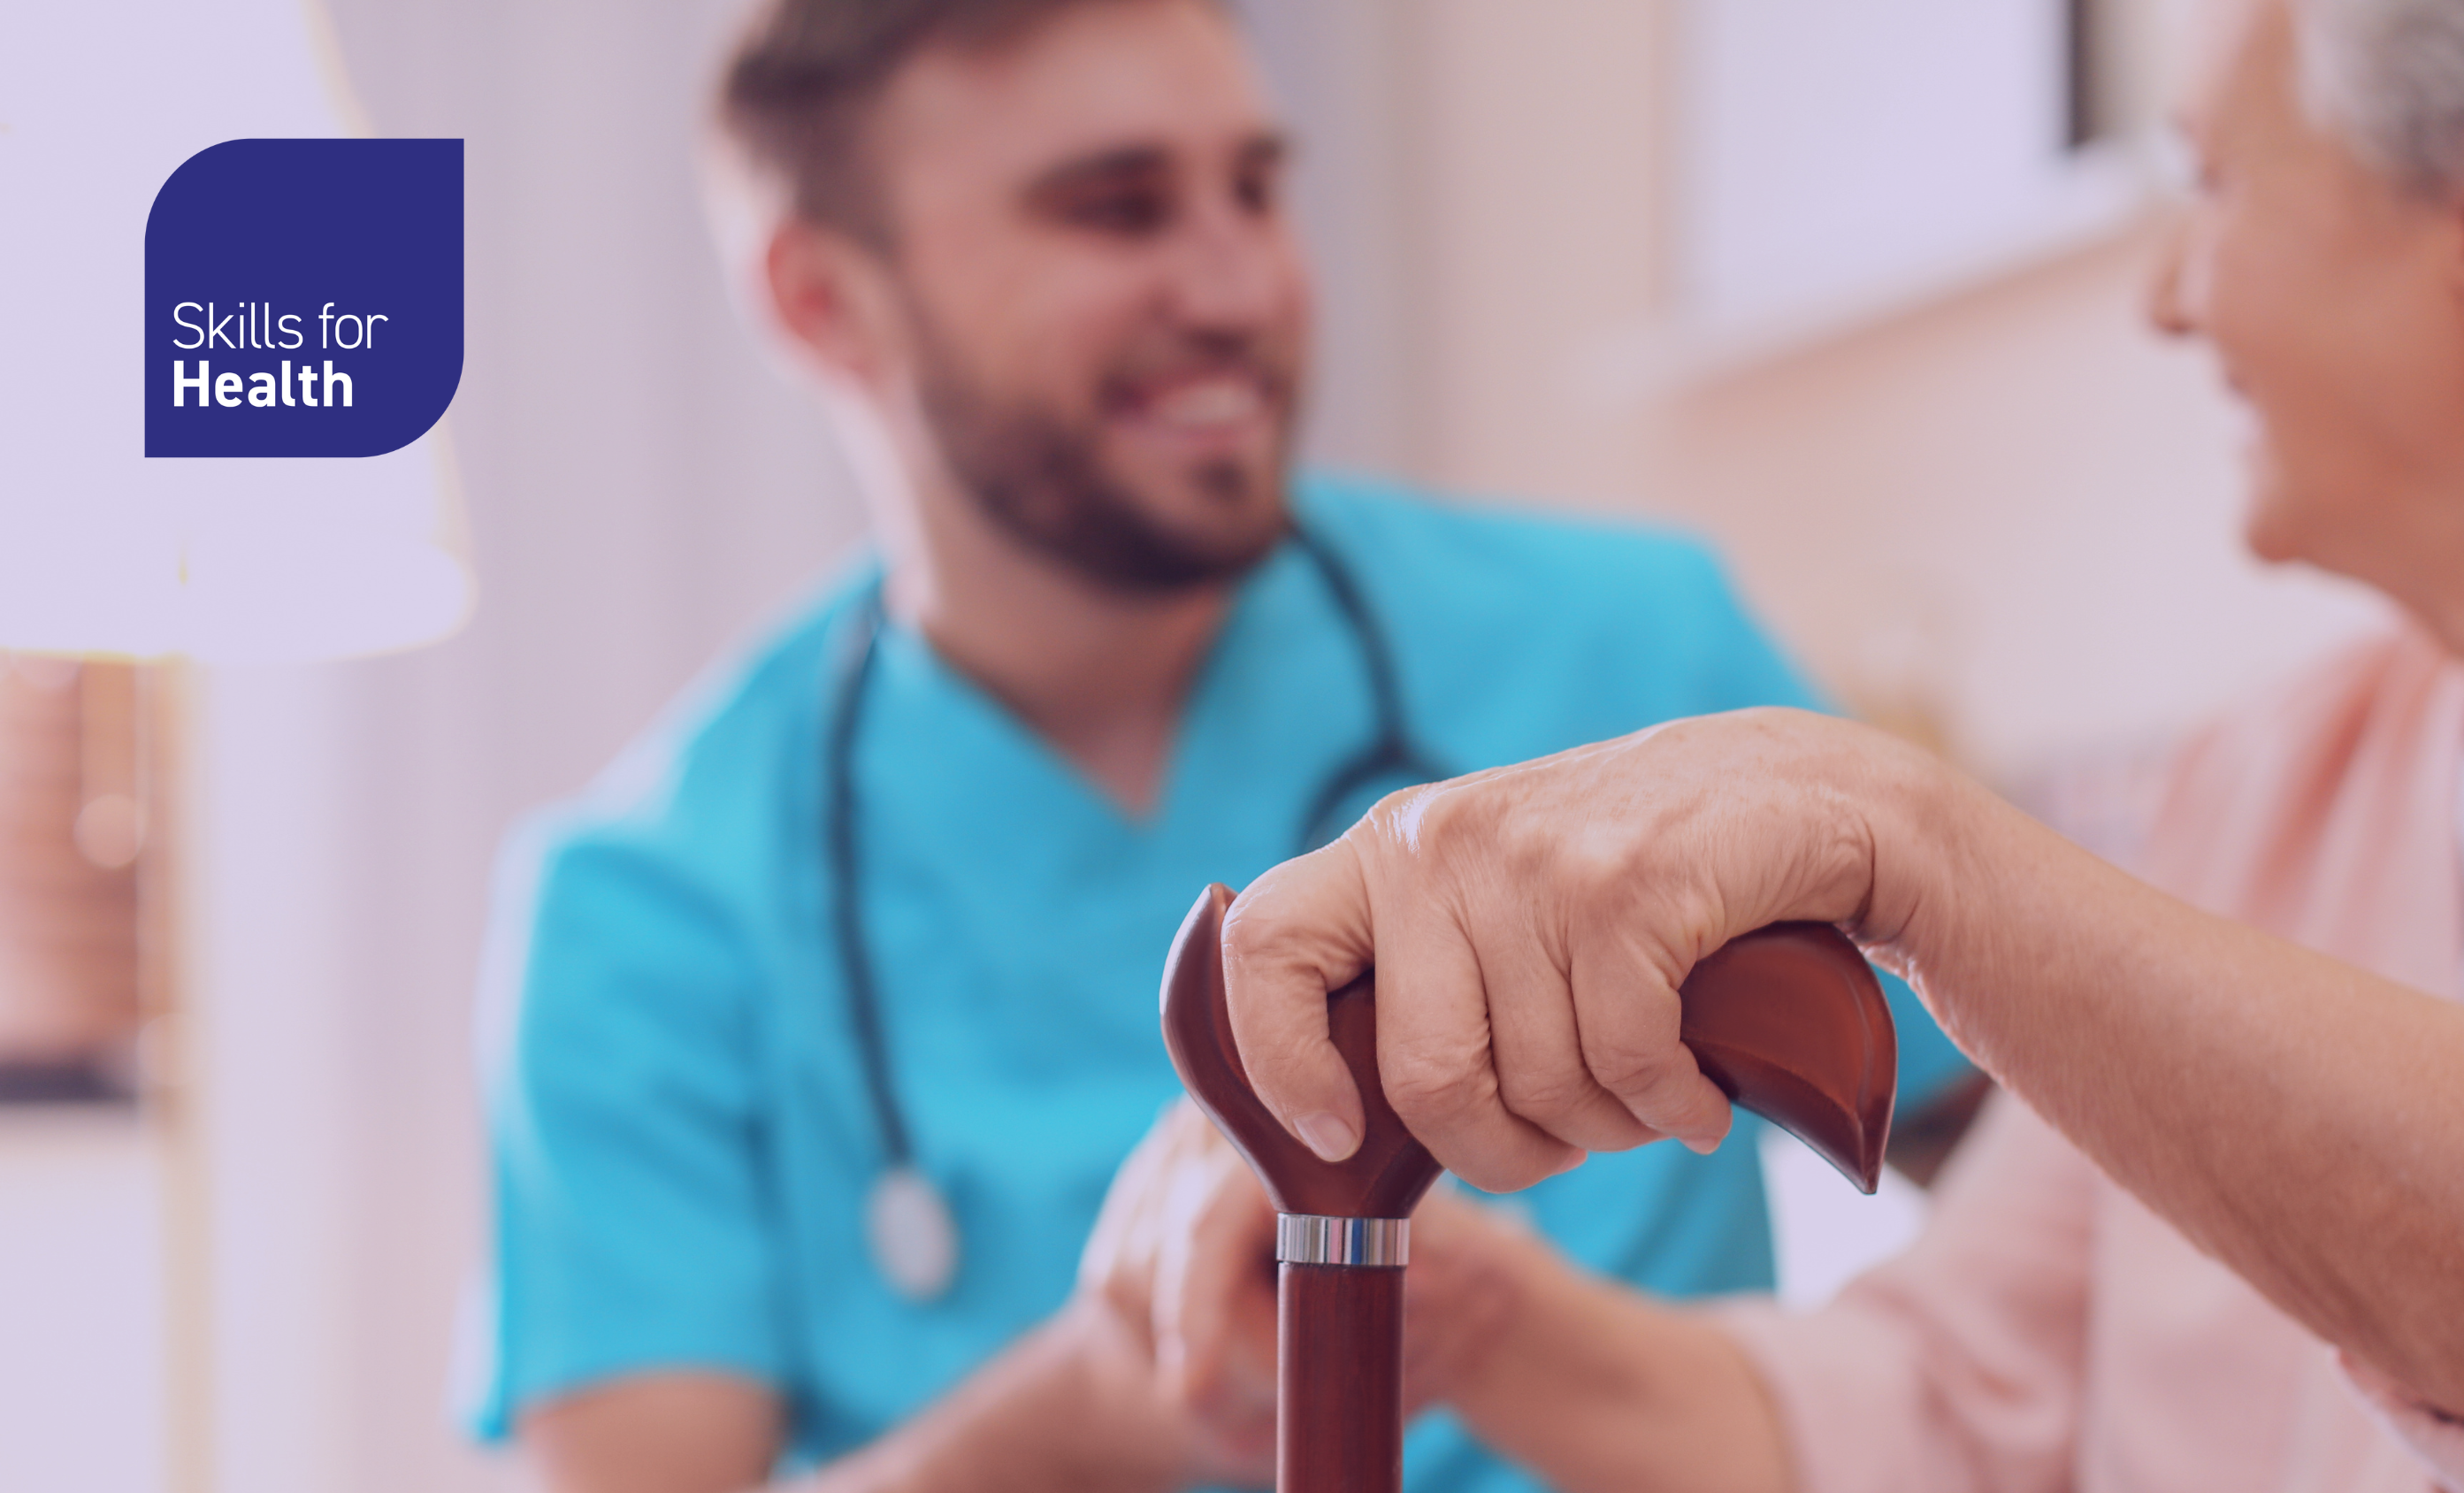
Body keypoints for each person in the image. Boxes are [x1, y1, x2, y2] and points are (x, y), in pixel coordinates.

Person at [1098, 0, 2464, 1489]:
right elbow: (1947, 1409)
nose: (2169, 293)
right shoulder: (2271, 784)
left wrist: (1902, 837)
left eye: (2216, 185)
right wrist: (1468, 1311)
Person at [463, 0, 1977, 1489]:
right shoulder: (643, 912)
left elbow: (2081, 1230)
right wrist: (1106, 1389)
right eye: (1115, 211)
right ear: (822, 299)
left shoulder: (1642, 658)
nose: (1238, 284)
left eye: (1255, 189)